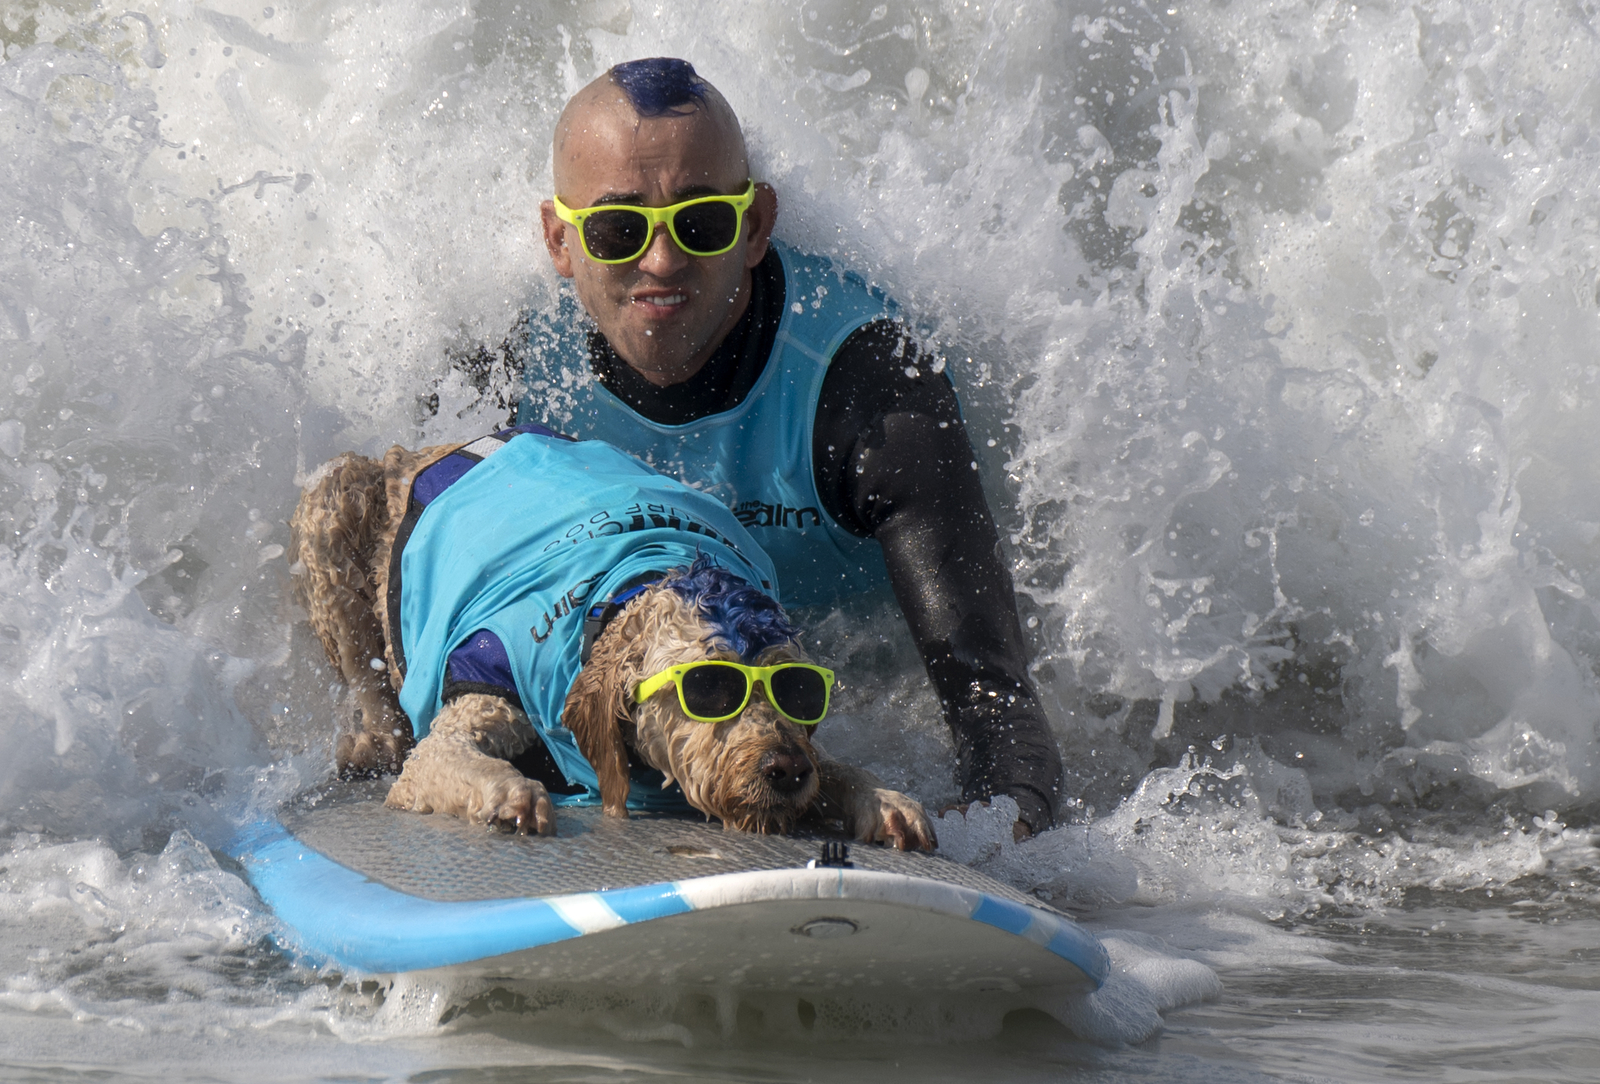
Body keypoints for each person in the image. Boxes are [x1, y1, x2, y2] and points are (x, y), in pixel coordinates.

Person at [512, 57, 1062, 838]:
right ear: (561, 242)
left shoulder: (868, 390)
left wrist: (995, 839)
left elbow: (993, 704)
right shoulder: (515, 376)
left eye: (701, 223)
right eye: (617, 228)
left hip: (857, 695)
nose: (661, 261)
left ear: (757, 225)